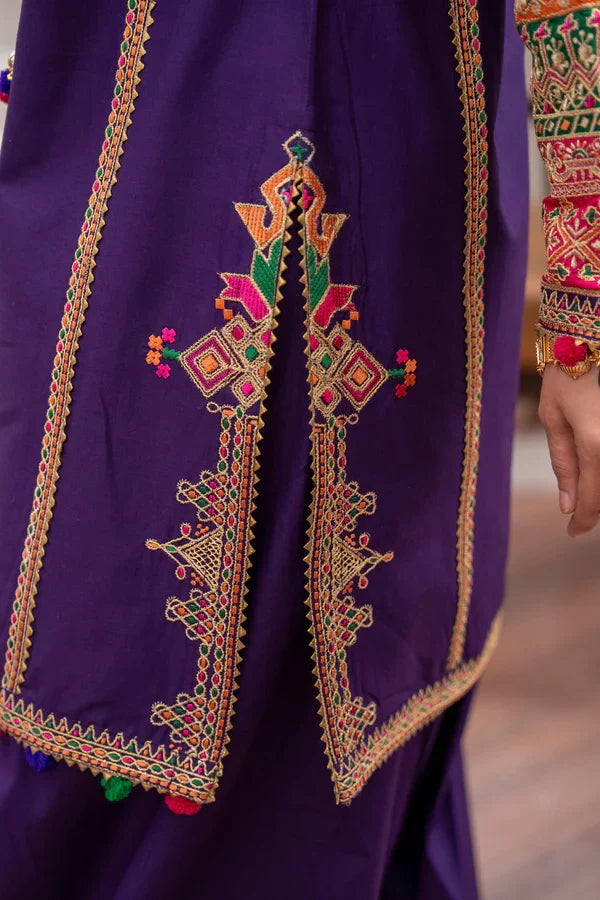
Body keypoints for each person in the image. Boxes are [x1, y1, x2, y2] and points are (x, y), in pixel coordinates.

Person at [0, 1, 595, 898]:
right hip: (128, 133)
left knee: (355, 680)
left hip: (399, 156)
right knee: (90, 614)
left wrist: (584, 300)